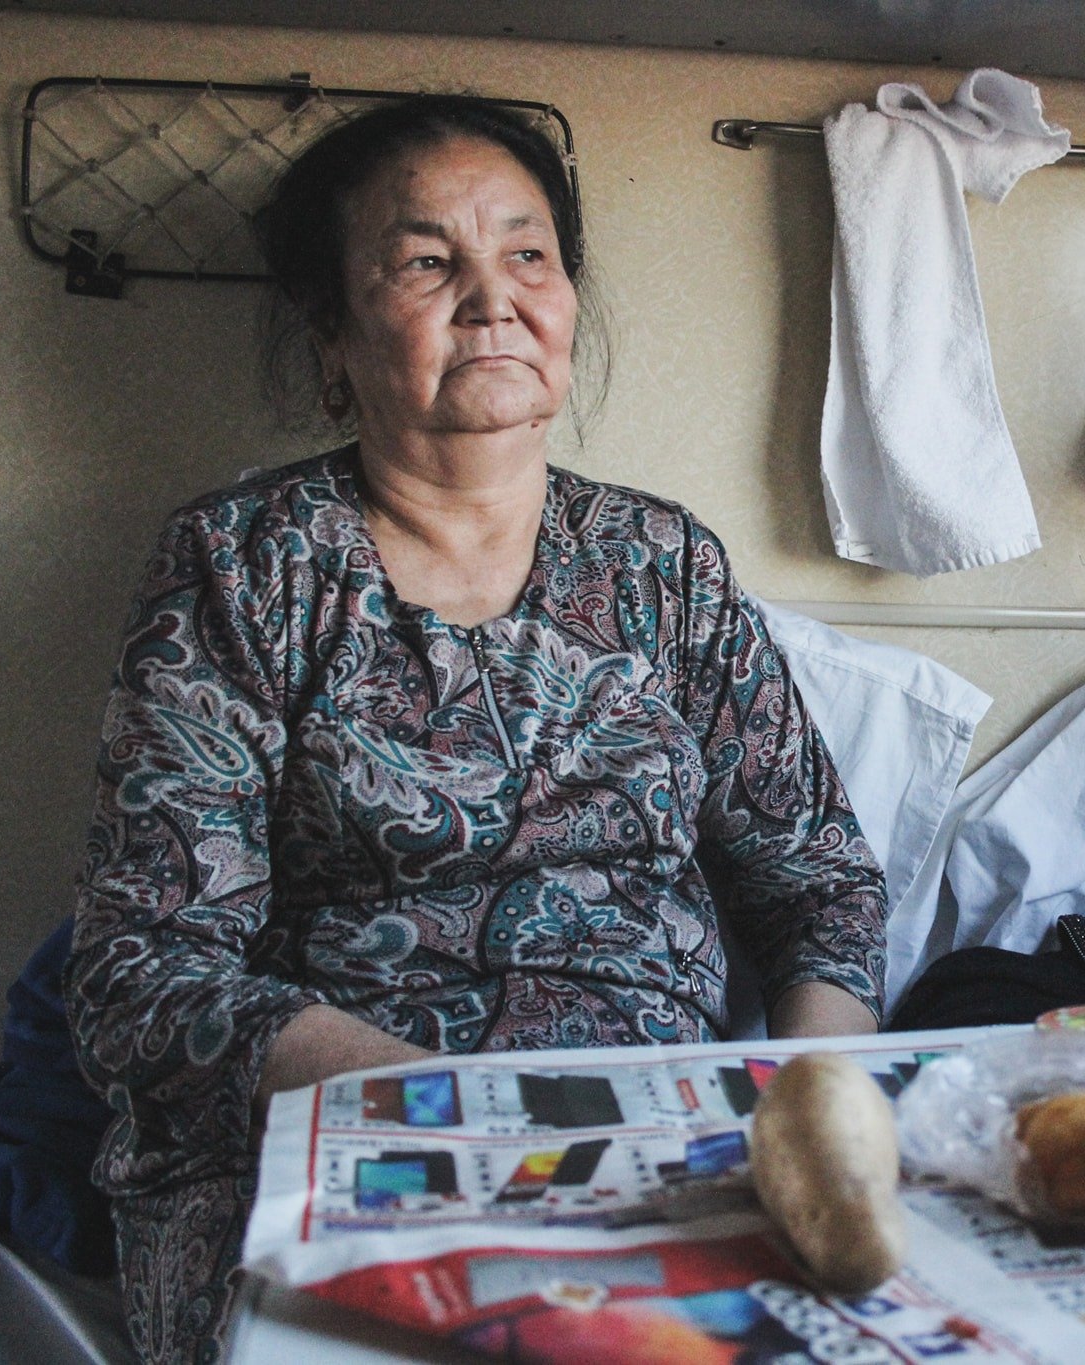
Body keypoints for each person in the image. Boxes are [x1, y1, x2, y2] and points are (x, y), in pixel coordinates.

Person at [63, 95, 887, 1363]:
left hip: (655, 1131)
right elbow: (145, 971)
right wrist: (470, 1117)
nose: (491, 298)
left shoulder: (663, 565)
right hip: (345, 1133)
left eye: (526, 255)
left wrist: (816, 1110)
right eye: (425, 261)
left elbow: (817, 882)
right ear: (332, 333)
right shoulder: (243, 567)